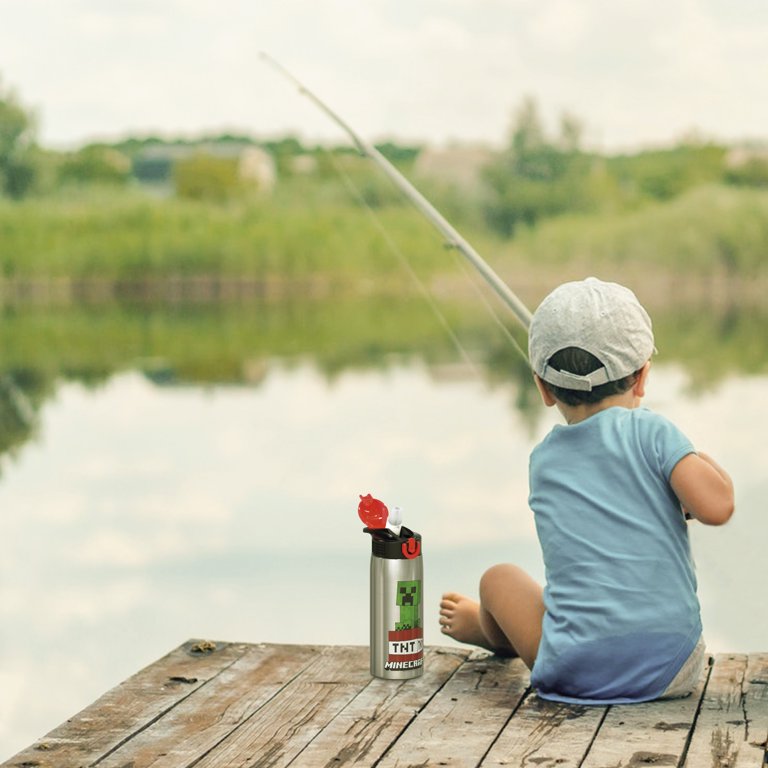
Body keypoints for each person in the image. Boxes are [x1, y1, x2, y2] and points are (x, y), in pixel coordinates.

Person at [439, 277, 734, 704]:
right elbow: (718, 507)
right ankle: (504, 635)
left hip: (573, 672)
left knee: (498, 579)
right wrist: (695, 460)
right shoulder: (655, 433)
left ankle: (493, 635)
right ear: (642, 377)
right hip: (671, 669)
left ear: (543, 388)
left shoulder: (543, 461)